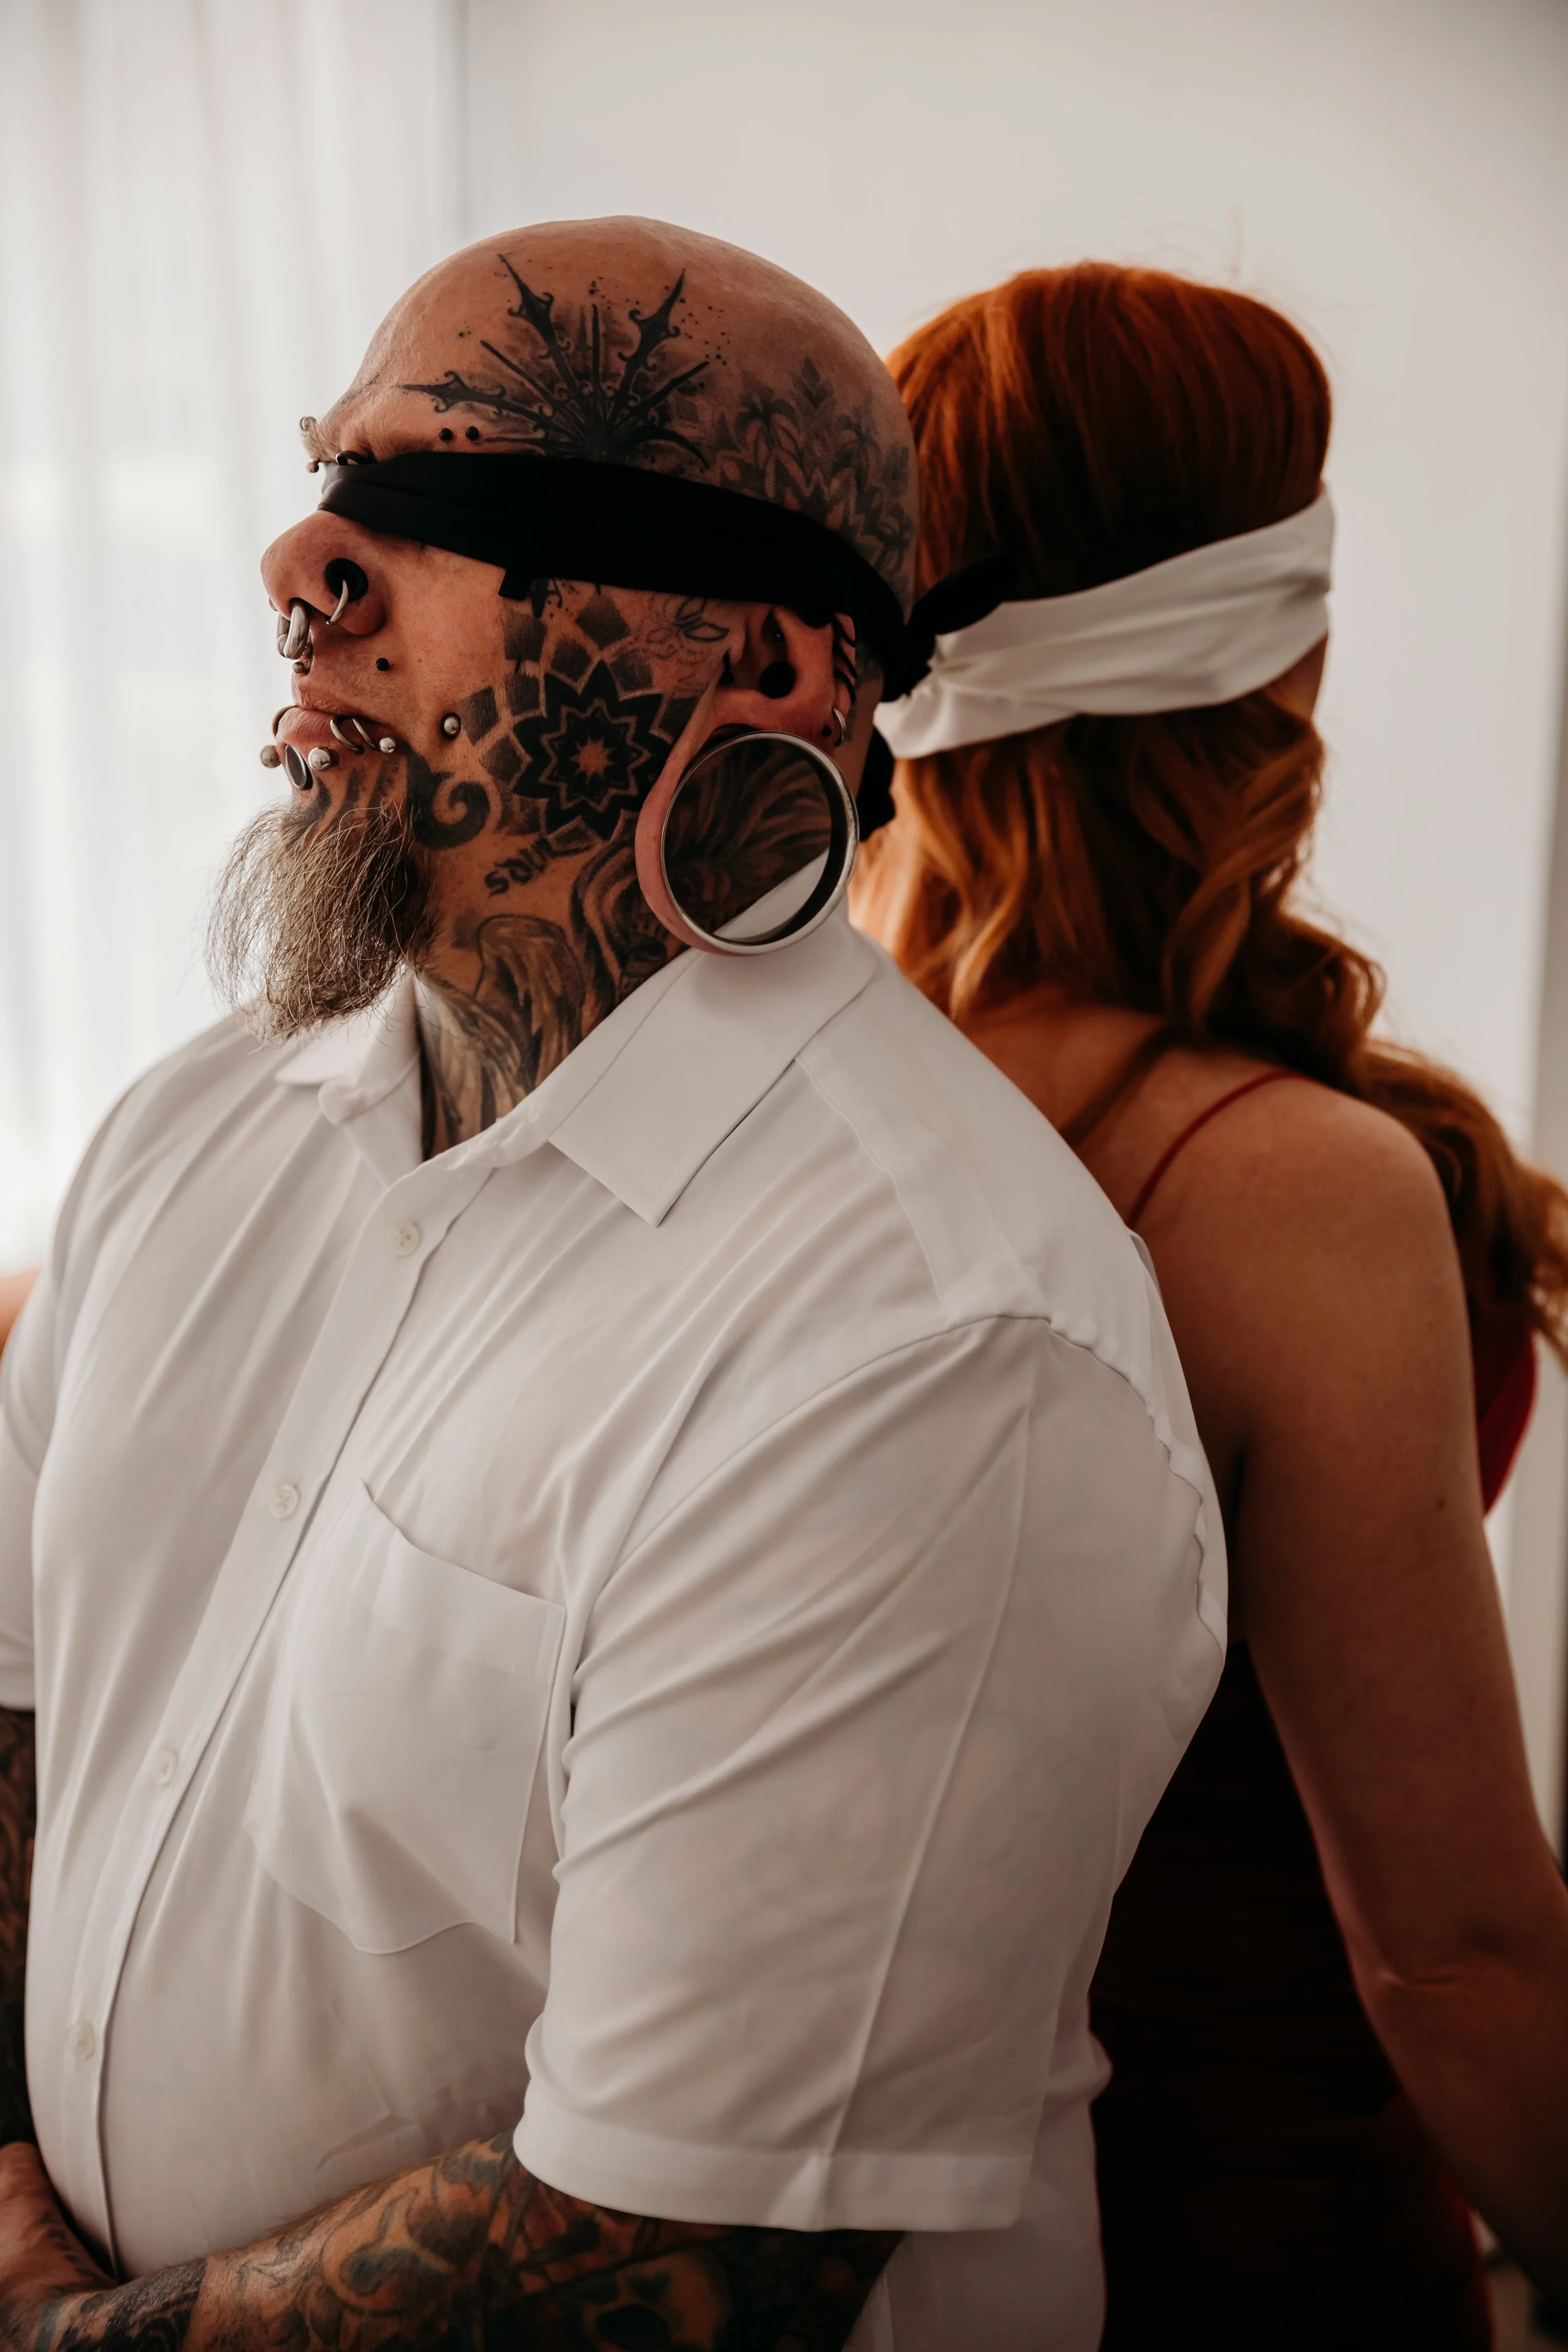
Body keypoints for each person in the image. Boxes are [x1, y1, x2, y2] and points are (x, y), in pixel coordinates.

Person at [0, 221, 1222, 2352]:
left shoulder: (929, 1348)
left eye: (442, 499)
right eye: (324, 475)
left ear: (765, 668)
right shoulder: (195, 1126)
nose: (305, 557)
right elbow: (20, 1701)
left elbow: (666, 2254)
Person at [857, 262, 1568, 2346]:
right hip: (1249, 2247)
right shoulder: (1290, 1188)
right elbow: (1450, 1951)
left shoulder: (780, 1110)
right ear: (1290, 651)